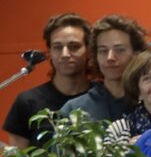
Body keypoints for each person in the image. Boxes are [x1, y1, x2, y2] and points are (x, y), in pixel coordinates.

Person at [4, 12, 93, 147]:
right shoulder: (28, 102)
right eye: (57, 47)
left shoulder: (103, 98)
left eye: (74, 46)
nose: (65, 54)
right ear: (50, 52)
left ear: (89, 51)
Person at [61, 14, 148, 121]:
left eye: (119, 50)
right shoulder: (74, 110)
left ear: (136, 54)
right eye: (103, 51)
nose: (110, 57)